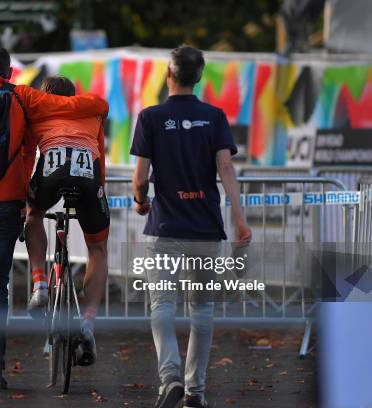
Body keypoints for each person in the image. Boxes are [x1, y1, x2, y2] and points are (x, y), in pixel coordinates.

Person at [0, 46, 108, 390]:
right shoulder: (19, 98)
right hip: (6, 202)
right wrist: (99, 105)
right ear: (9, 72)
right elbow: (66, 110)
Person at [130, 45, 252, 408]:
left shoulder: (150, 117)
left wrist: (141, 202)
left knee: (162, 306)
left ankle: (169, 378)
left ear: (169, 75)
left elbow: (140, 178)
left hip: (164, 228)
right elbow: (226, 169)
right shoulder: (214, 117)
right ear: (198, 77)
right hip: (205, 229)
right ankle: (195, 392)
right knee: (201, 311)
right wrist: (239, 217)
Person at [24, 76, 110, 366]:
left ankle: (39, 286)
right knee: (97, 248)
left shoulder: (39, 110)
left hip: (52, 169)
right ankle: (87, 325)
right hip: (88, 175)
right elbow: (101, 160)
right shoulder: (92, 111)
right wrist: (101, 193)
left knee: (33, 216)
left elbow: (27, 153)